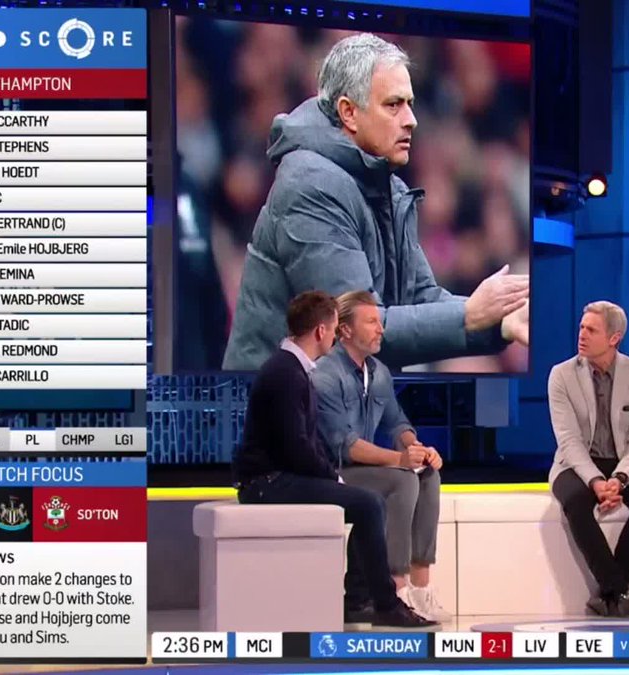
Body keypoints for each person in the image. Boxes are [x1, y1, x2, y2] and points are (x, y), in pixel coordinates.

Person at [223, 33, 530, 372]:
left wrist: (499, 320)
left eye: (410, 103)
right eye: (393, 105)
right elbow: (354, 329)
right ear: (349, 112)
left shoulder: (388, 187)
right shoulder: (310, 185)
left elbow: (420, 299)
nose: (411, 119)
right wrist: (468, 315)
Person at [233, 290, 436, 628]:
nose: (380, 329)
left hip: (279, 475)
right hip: (267, 482)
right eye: (331, 329)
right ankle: (385, 602)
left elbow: (303, 443)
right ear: (322, 331)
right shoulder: (287, 373)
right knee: (368, 503)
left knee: (368, 502)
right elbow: (296, 447)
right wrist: (332, 477)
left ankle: (365, 599)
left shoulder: (293, 368)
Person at [312, 290, 451, 621]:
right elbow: (345, 446)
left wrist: (416, 449)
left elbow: (397, 422)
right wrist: (400, 460)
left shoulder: (378, 372)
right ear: (345, 330)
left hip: (363, 468)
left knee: (427, 475)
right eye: (372, 322)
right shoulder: (325, 374)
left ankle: (421, 588)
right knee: (401, 481)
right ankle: (395, 587)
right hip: (330, 472)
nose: (381, 329)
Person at [548, 301, 629, 618]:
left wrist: (620, 478)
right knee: (574, 499)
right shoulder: (561, 375)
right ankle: (617, 591)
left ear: (614, 338)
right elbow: (569, 441)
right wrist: (597, 482)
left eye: (591, 330)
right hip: (576, 462)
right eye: (581, 327)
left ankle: (608, 594)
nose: (582, 335)